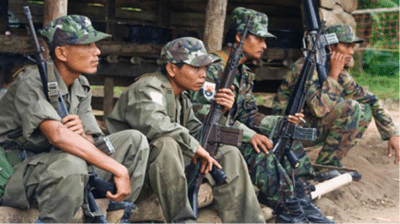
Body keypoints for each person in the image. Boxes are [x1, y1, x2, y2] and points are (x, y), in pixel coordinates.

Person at [0, 15, 150, 223]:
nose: (97, 51)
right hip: (16, 171)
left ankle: (117, 213)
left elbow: (91, 142)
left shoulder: (80, 85)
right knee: (72, 164)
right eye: (87, 45)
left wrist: (82, 135)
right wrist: (118, 169)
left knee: (135, 140)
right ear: (61, 52)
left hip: (56, 163)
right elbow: (58, 136)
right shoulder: (32, 81)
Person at [190, 7, 334, 224]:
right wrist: (250, 136)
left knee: (287, 138)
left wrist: (280, 122)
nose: (265, 45)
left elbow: (249, 115)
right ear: (239, 37)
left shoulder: (244, 73)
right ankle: (289, 211)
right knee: (258, 151)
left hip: (232, 133)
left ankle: (302, 199)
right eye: (259, 39)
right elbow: (202, 115)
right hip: (209, 139)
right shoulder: (212, 68)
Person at [105, 37, 265, 223]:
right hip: (128, 176)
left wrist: (221, 112)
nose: (203, 74)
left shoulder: (181, 98)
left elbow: (197, 131)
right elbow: (156, 124)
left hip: (163, 172)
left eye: (205, 68)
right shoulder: (148, 88)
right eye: (196, 67)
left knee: (228, 153)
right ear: (172, 69)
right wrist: (194, 147)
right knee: (167, 144)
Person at [273, 24, 400, 181]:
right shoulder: (306, 67)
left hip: (310, 126)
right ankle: (324, 168)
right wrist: (333, 74)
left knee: (365, 109)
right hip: (289, 130)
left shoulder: (335, 69)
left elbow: (370, 99)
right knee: (350, 108)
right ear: (331, 46)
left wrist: (392, 134)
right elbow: (319, 109)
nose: (351, 52)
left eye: (352, 46)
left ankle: (329, 164)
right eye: (347, 46)